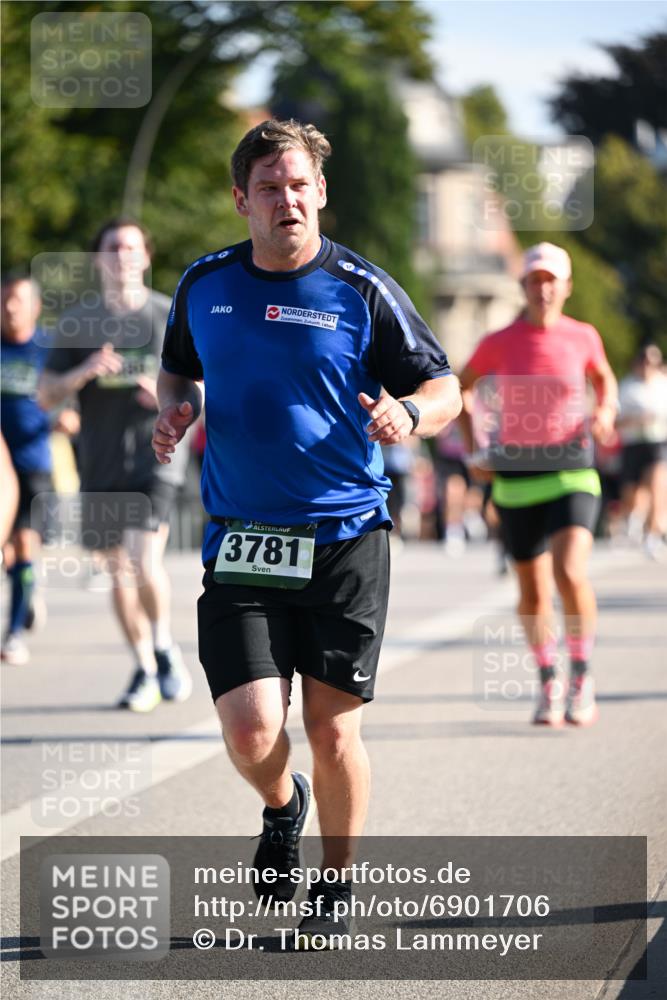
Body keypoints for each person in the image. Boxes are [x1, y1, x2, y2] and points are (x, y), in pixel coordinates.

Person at [152, 119, 461, 943]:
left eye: (298, 185)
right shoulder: (203, 283)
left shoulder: (360, 289)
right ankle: (282, 806)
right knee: (252, 729)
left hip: (344, 537)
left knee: (330, 727)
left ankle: (334, 885)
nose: (286, 200)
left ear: (319, 191)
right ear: (240, 200)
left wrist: (408, 413)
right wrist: (172, 408)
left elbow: (444, 385)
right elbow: (178, 361)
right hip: (242, 538)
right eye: (268, 188)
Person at [459, 242, 618, 728]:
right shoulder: (498, 340)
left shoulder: (583, 336)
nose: (543, 289)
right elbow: (462, 386)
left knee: (570, 572)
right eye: (534, 281)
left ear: (566, 288)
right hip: (516, 477)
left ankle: (581, 674)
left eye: (551, 280)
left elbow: (604, 379)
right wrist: (473, 452)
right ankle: (549, 676)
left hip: (572, 470)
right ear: (524, 287)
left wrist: (605, 411)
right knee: (531, 592)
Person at [38, 219, 192, 711]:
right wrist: (82, 373)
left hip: (157, 458)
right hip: (100, 464)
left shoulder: (168, 316)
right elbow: (44, 394)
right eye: (112, 247)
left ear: (145, 257)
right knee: (119, 572)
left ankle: (164, 644)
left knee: (140, 556)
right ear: (99, 259)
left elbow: (203, 388)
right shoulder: (78, 323)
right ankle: (146, 665)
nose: (122, 255)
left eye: (131, 247)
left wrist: (167, 395)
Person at [1, 273, 53, 665]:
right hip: (1, 464)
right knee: (9, 555)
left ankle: (14, 633)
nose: (10, 308)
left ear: (35, 306)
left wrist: (68, 417)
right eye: (4, 300)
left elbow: (67, 392)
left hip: (34, 463)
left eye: (18, 300)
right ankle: (25, 586)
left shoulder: (48, 349)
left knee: (22, 546)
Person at [617, 344, 667, 560]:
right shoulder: (627, 387)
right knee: (634, 493)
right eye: (645, 362)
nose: (648, 366)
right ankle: (634, 518)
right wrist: (638, 419)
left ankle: (653, 536)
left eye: (653, 362)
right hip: (633, 444)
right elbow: (616, 422)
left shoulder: (663, 385)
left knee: (657, 485)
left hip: (658, 442)